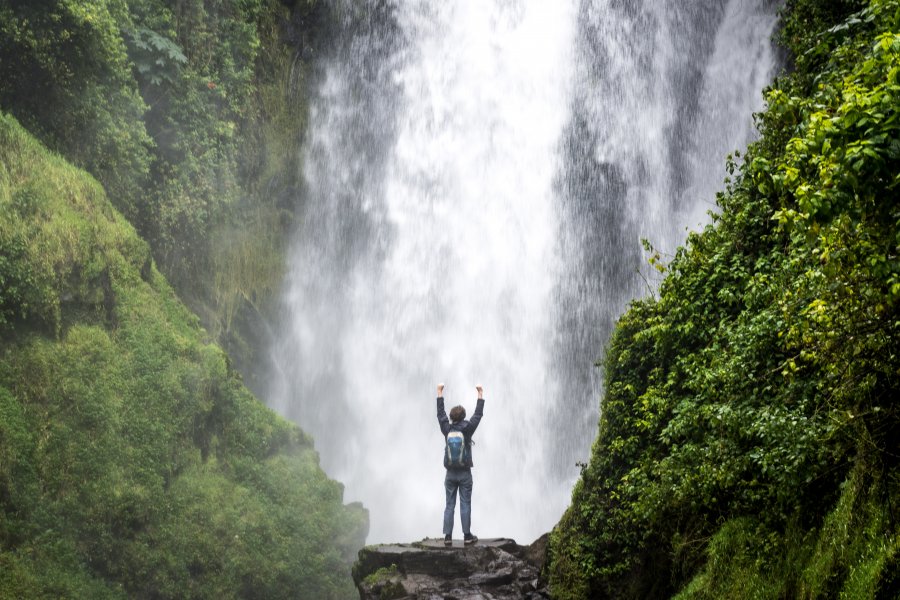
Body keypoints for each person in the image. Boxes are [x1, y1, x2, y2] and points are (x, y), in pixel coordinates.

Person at [436, 383, 484, 546]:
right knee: (465, 503)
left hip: (450, 473)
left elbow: (440, 415)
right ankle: (467, 536)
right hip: (464, 473)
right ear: (463, 417)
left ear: (451, 417)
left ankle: (448, 537)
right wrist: (480, 394)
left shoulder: (447, 429)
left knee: (449, 504)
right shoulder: (468, 429)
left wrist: (439, 393)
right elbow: (478, 415)